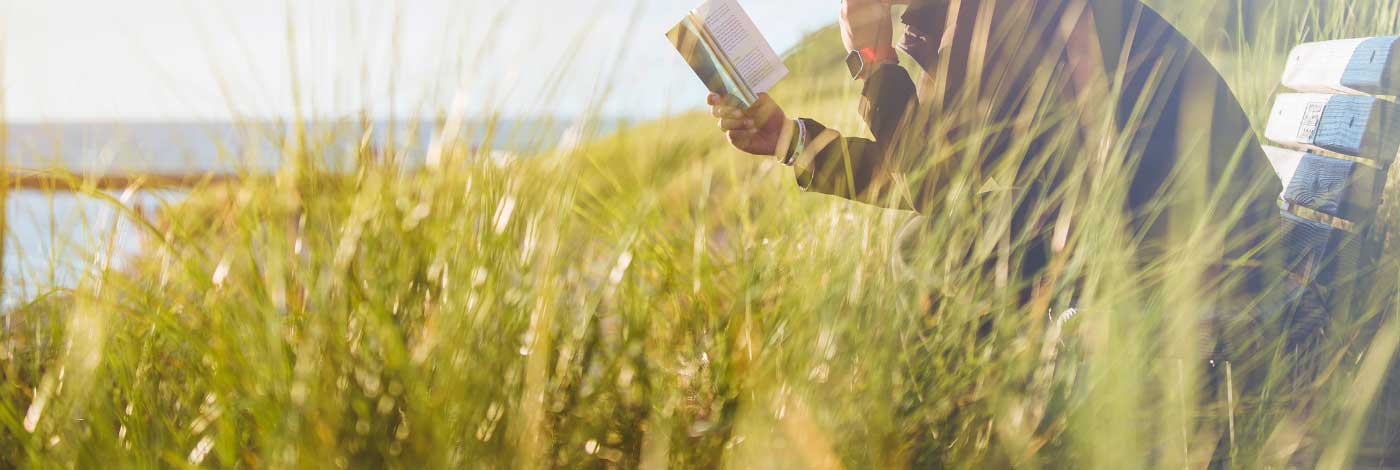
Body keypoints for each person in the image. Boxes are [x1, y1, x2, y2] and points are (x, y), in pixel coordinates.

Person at [708, 0, 1283, 304]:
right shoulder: (951, 26)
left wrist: (876, 59)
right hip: (1171, 225)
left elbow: (928, 182)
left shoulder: (991, 16)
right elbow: (931, 172)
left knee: (936, 248)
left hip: (1213, 247)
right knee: (942, 242)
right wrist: (788, 139)